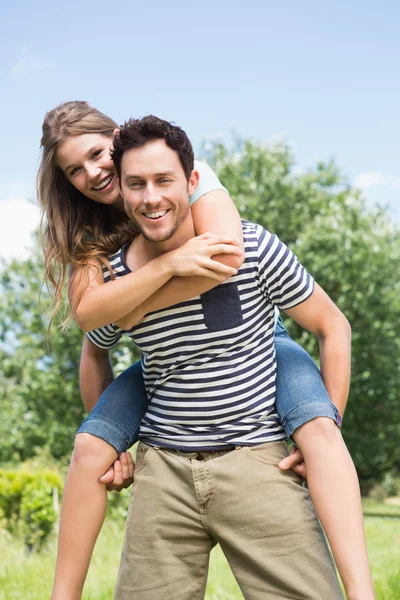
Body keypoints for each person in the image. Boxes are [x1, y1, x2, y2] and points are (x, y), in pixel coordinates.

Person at [37, 104, 374, 599]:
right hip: (162, 380)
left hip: (262, 343)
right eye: (74, 170)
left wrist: (139, 297)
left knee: (320, 426)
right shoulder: (104, 258)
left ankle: (361, 589)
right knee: (90, 447)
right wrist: (150, 283)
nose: (92, 173)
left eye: (95, 156)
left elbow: (230, 257)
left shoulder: (210, 204)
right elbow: (93, 323)